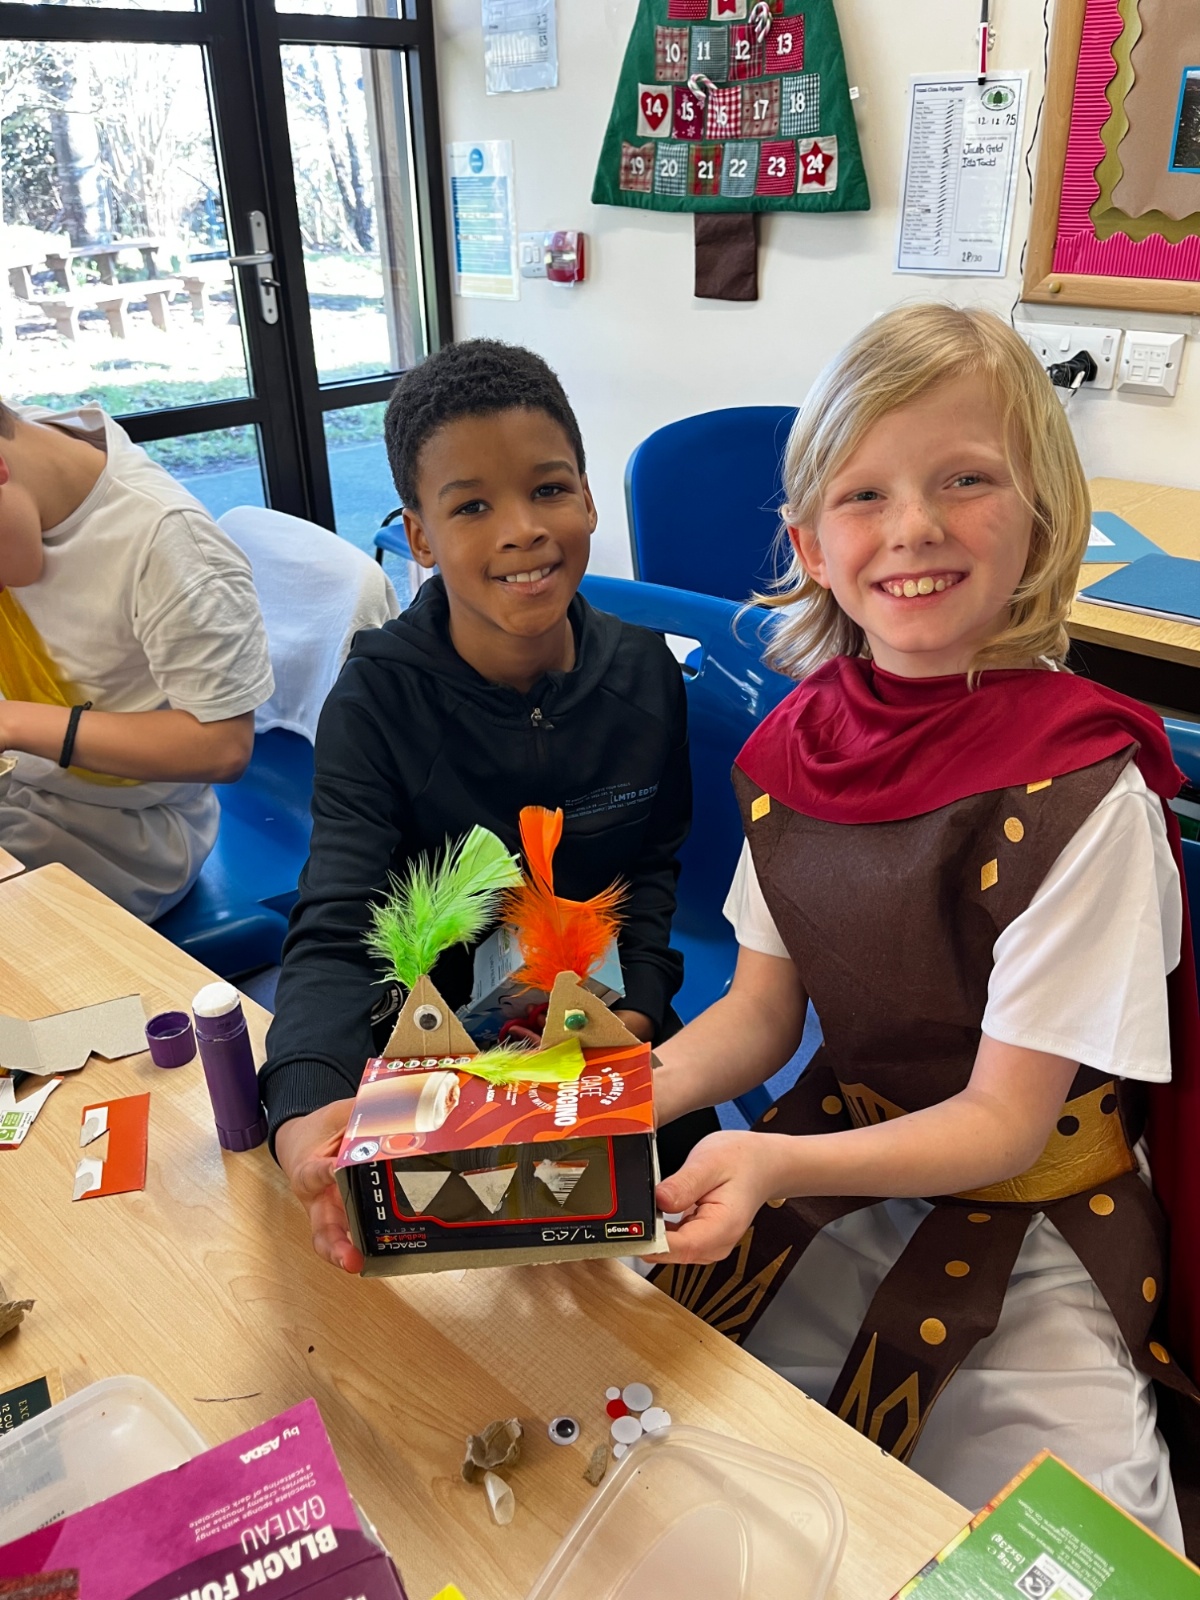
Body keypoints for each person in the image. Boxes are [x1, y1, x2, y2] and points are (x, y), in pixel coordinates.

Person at [646, 305, 1199, 1547]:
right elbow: (758, 1016)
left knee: (1082, 1555)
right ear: (810, 542)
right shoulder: (793, 746)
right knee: (669, 1454)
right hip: (844, 1171)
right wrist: (611, 1097)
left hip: (1043, 1220)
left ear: (1042, 517)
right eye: (865, 494)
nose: (914, 527)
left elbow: (1007, 1124)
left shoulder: (1085, 795)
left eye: (965, 480)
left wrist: (773, 1164)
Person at [262, 339, 714, 1269]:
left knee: (688, 1257)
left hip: (601, 1040)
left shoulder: (643, 675)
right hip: (431, 1057)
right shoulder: (376, 702)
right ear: (420, 536)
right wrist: (305, 1107)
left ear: (589, 498)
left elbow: (650, 867)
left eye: (549, 489)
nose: (522, 530)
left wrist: (638, 1012)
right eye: (471, 506)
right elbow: (337, 924)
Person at [0, 399, 273, 920]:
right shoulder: (30, 447)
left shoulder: (168, 543)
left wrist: (13, 723)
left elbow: (223, 747)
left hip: (131, 830)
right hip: (25, 789)